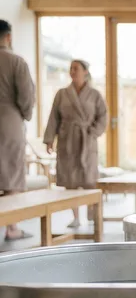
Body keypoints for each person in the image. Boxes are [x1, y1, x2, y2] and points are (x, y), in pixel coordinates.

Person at [43, 59, 108, 228]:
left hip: (87, 141)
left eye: (76, 68)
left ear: (85, 71)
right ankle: (76, 217)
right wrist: (50, 139)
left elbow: (103, 116)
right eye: (70, 68)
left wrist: (93, 132)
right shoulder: (62, 94)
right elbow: (53, 118)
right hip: (67, 141)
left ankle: (93, 215)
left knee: (89, 179)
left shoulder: (94, 94)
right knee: (70, 181)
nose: (72, 71)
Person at [0, 20, 36, 240]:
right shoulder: (16, 62)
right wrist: (25, 114)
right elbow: (26, 97)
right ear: (9, 37)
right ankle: (12, 228)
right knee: (11, 177)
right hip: (8, 122)